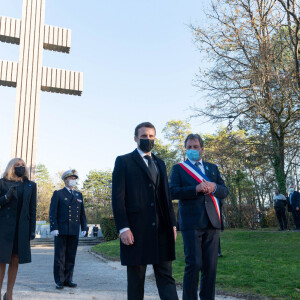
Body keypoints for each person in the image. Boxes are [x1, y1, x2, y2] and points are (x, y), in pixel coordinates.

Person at [112, 122, 178, 300]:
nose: (147, 140)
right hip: (136, 230)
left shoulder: (160, 163)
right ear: (135, 138)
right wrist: (123, 228)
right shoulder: (123, 161)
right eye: (143, 136)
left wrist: (172, 224)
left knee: (166, 276)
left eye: (151, 136)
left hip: (162, 229)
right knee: (136, 279)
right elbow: (117, 198)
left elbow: (166, 197)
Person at [169, 133, 229, 300]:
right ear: (185, 149)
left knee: (210, 267)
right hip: (191, 222)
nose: (192, 150)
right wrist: (195, 189)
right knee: (194, 264)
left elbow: (224, 192)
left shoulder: (213, 168)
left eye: (196, 147)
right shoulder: (179, 169)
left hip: (212, 221)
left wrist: (214, 186)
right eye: (189, 147)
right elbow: (172, 192)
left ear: (202, 149)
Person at [0, 158, 36, 300]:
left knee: (15, 258)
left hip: (21, 229)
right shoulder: (2, 182)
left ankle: (9, 294)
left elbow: (33, 209)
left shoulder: (30, 185)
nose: (20, 167)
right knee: (1, 260)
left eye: (22, 165)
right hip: (3, 228)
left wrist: (32, 229)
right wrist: (5, 197)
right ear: (11, 167)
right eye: (17, 165)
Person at [49, 169, 87, 289]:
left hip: (74, 230)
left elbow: (82, 214)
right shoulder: (58, 194)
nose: (73, 180)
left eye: (75, 179)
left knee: (71, 255)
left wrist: (84, 226)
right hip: (61, 229)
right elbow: (53, 212)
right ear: (65, 180)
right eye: (71, 178)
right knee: (60, 256)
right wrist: (54, 227)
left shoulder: (78, 195)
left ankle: (68, 279)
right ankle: (59, 280)